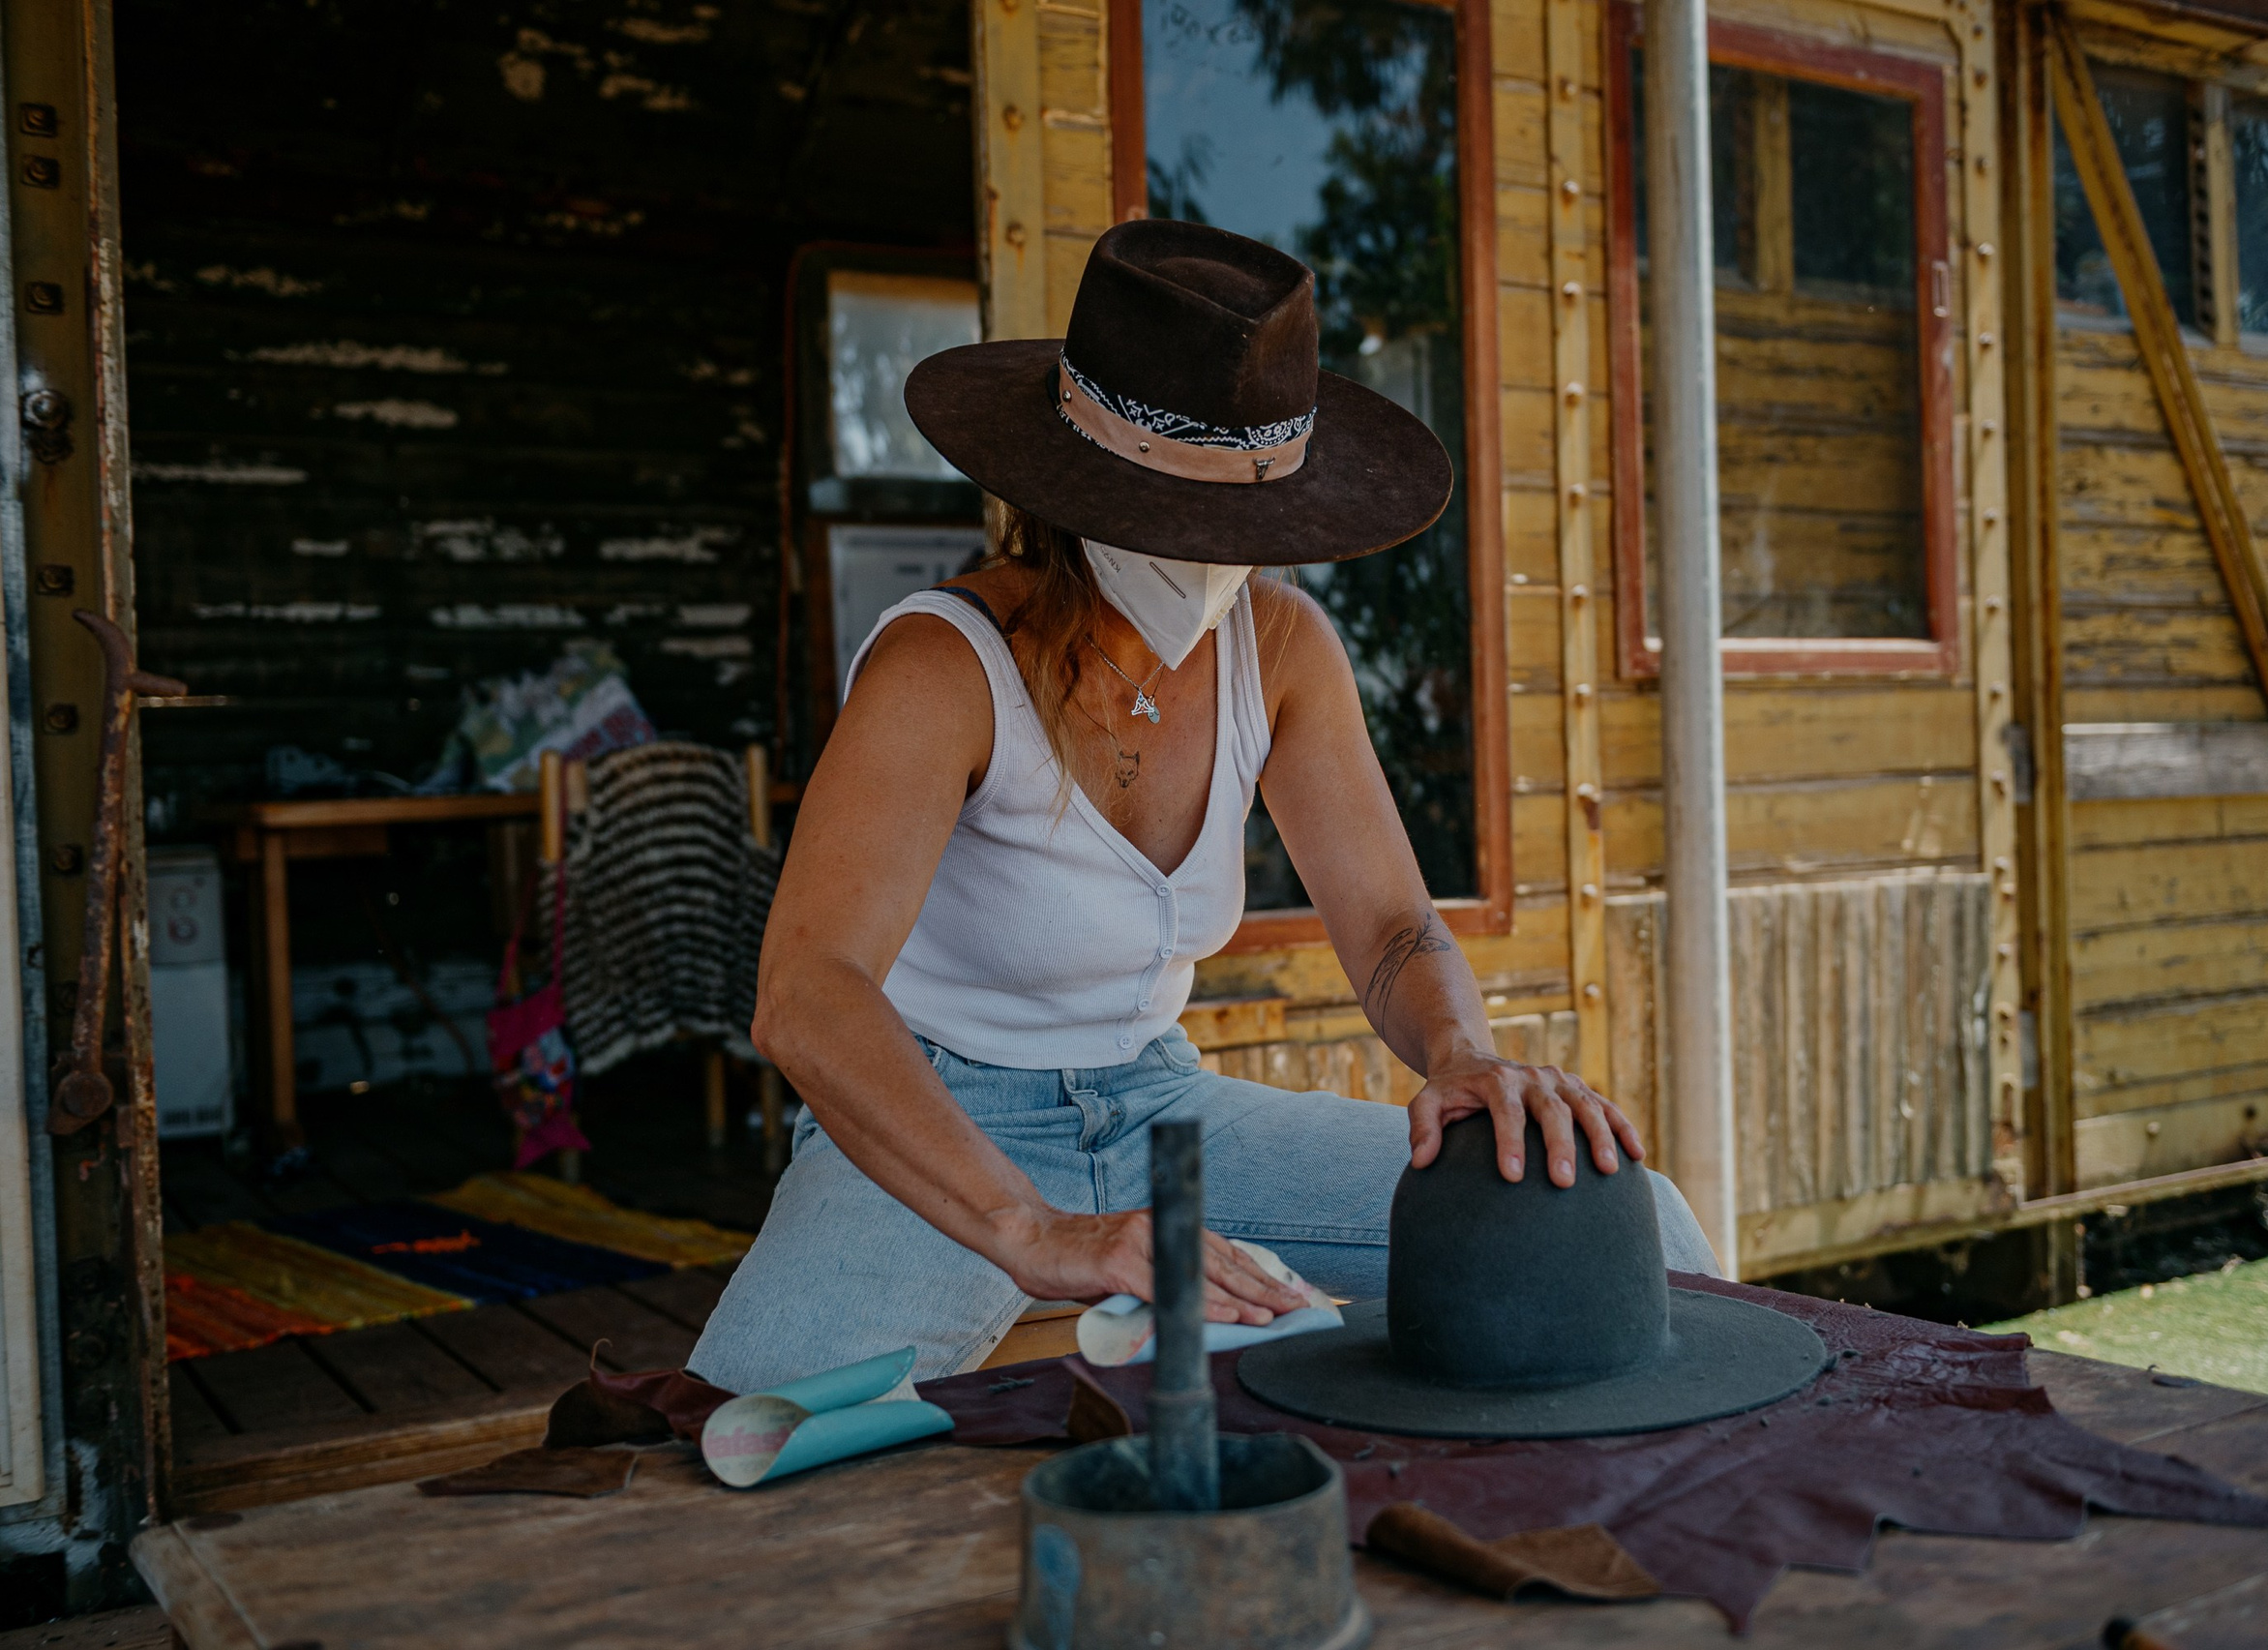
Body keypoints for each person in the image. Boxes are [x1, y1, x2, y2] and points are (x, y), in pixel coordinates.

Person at [690, 220, 1716, 1392]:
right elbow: (807, 996)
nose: (1215, 559)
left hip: (1162, 1109)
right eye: (1179, 517)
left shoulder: (1279, 648)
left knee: (1620, 1231)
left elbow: (1387, 927)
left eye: (1241, 524)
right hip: (941, 1118)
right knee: (743, 1434)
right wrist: (1030, 1231)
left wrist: (1461, 1054)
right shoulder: (945, 665)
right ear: (1073, 487)